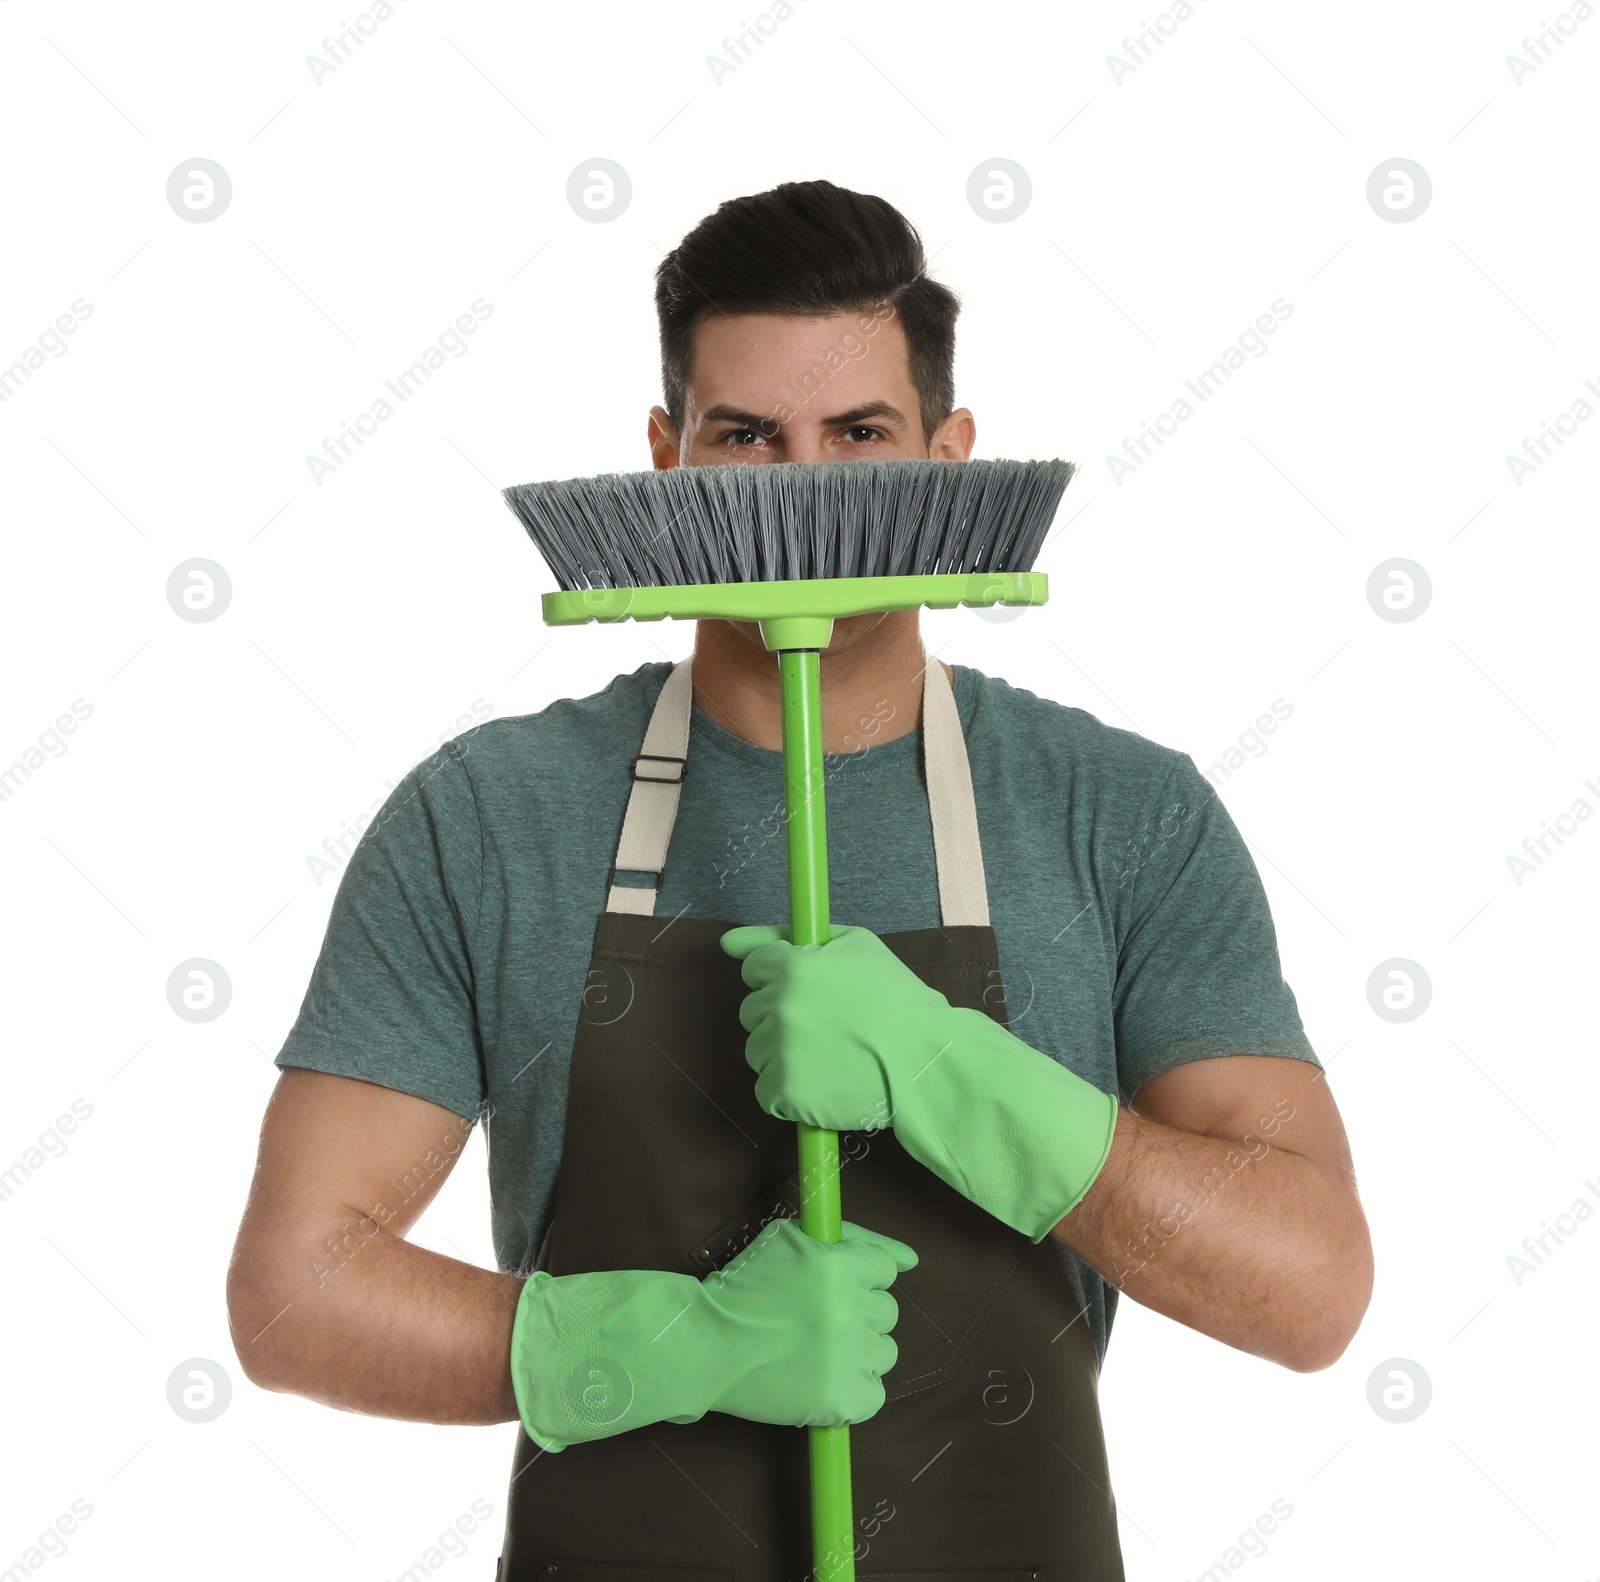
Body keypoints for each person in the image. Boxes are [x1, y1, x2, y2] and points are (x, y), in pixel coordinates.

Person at [226, 179, 1373, 1579]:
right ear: (666, 459)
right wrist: (667, 1345)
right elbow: (295, 1296)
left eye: (861, 434)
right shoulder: (491, 817)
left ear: (949, 459)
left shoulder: (1117, 816)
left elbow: (1311, 1286)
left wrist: (962, 1076)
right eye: (748, 437)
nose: (805, 488)